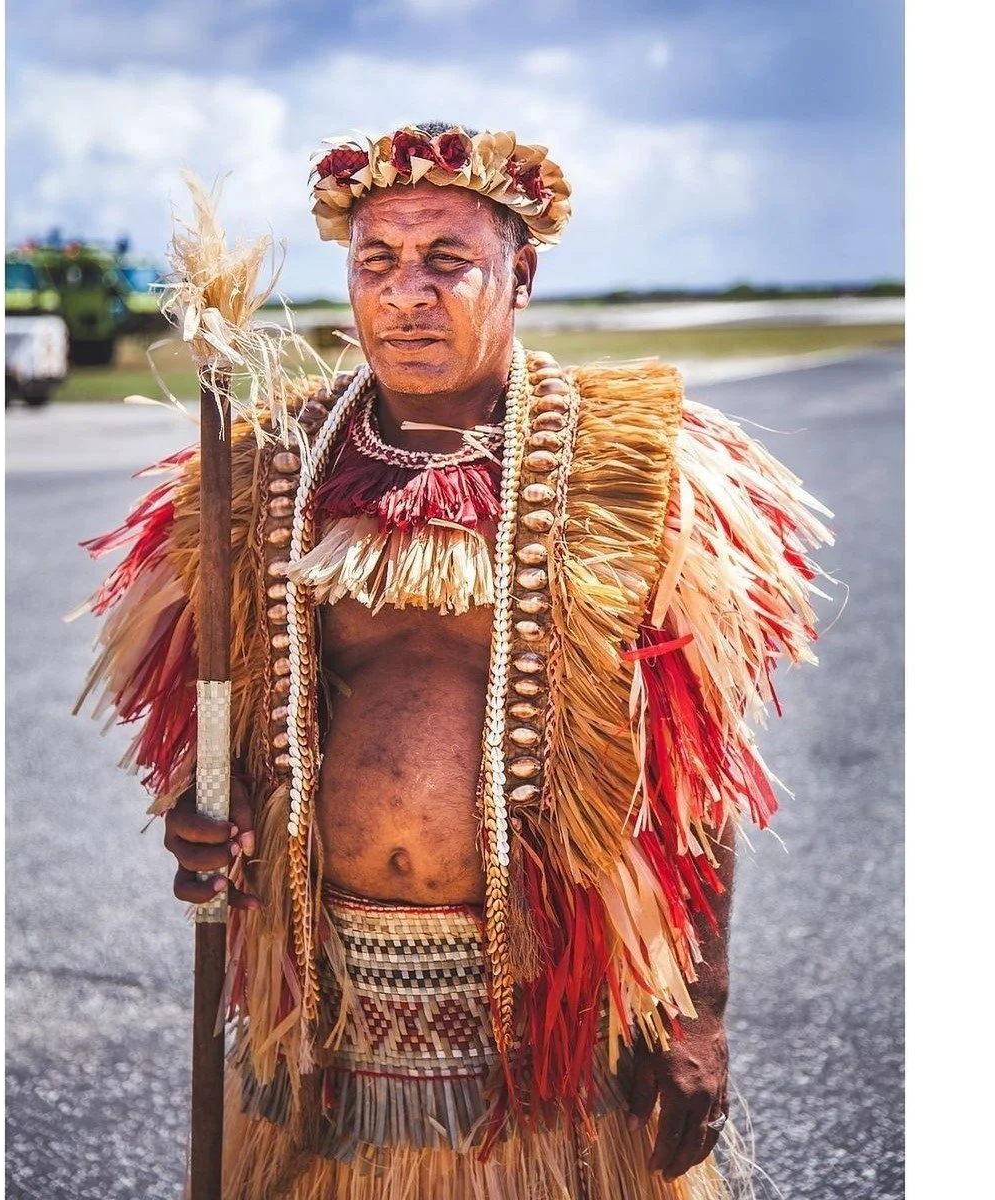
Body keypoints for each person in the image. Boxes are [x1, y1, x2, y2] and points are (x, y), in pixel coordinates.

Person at [76, 122, 834, 1199]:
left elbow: (690, 779)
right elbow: (220, 736)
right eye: (377, 261)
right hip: (330, 1021)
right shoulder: (261, 472)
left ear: (520, 277)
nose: (407, 295)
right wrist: (210, 818)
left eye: (447, 261)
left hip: (557, 1035)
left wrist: (700, 1013)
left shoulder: (630, 472)